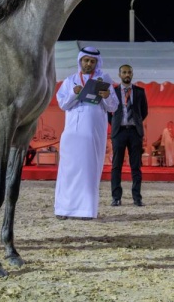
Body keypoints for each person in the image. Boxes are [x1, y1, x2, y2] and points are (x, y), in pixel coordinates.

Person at [54, 46, 118, 220]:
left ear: (96, 63)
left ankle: (86, 211)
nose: (88, 63)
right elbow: (63, 105)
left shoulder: (103, 79)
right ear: (80, 61)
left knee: (89, 170)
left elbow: (113, 106)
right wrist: (74, 94)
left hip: (92, 133)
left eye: (92, 61)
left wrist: (106, 96)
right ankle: (63, 209)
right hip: (71, 134)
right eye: (86, 60)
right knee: (67, 170)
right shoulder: (70, 80)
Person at [109, 64, 149, 207]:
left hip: (134, 132)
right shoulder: (112, 92)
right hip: (119, 132)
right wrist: (115, 123)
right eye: (124, 72)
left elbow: (144, 112)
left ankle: (137, 198)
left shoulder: (139, 91)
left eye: (129, 72)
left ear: (132, 74)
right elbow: (109, 111)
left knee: (136, 166)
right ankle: (116, 197)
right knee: (116, 166)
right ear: (119, 75)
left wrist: (135, 122)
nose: (127, 74)